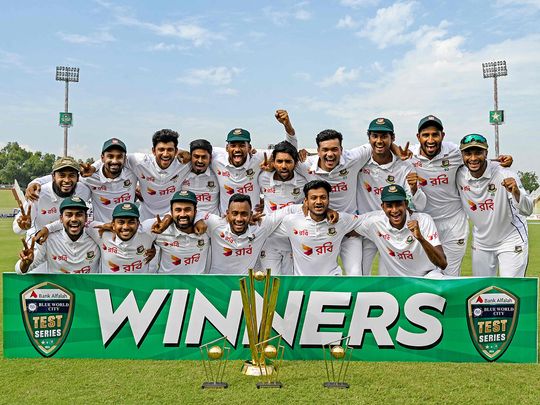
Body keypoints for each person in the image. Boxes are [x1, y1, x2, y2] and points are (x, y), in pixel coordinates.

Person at [409, 117, 513, 276]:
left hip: (453, 223)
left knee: (450, 274)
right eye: (426, 135)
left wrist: (501, 161)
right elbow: (389, 153)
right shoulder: (410, 156)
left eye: (435, 135)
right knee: (424, 274)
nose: (431, 140)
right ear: (418, 137)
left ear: (442, 136)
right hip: (425, 223)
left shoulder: (454, 152)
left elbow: (475, 157)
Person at [356, 117, 426, 275]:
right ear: (369, 138)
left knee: (389, 279)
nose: (379, 141)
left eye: (384, 136)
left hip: (392, 232)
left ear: (392, 138)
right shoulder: (360, 162)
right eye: (375, 136)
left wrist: (414, 189)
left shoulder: (404, 166)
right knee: (359, 276)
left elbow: (420, 206)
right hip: (366, 229)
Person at [456, 134, 532, 277]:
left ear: (486, 153)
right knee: (482, 291)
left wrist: (516, 192)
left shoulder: (505, 174)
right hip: (481, 242)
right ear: (462, 154)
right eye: (468, 153)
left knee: (511, 292)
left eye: (478, 152)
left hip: (510, 239)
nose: (473, 158)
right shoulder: (459, 174)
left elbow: (528, 210)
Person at [26, 138, 138, 222]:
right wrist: (36, 182)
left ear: (125, 158)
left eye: (119, 157)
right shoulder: (89, 176)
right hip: (101, 232)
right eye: (110, 156)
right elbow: (66, 177)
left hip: (129, 229)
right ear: (102, 158)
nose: (114, 161)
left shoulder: (133, 173)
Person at [210, 110, 297, 214]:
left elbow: (290, 149)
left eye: (242, 145)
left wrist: (287, 125)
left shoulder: (259, 158)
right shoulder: (216, 160)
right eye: (233, 145)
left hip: (254, 221)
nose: (237, 149)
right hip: (226, 221)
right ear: (227, 148)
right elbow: (197, 152)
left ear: (249, 147)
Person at [354, 185, 447, 277]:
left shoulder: (424, 220)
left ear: (406, 204)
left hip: (428, 277)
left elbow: (442, 264)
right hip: (398, 282)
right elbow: (348, 226)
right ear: (383, 207)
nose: (394, 210)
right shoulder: (375, 223)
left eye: (398, 204)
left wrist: (421, 238)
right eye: (389, 206)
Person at [274, 180, 363, 276]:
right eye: (313, 198)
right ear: (306, 202)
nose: (319, 202)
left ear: (329, 200)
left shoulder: (341, 220)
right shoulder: (292, 221)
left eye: (323, 197)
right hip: (302, 283)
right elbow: (266, 228)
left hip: (332, 281)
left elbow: (365, 222)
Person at [258, 140, 309, 274]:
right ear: (273, 162)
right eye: (279, 161)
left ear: (295, 163)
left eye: (288, 161)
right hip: (269, 242)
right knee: (270, 284)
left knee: (290, 287)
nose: (283, 166)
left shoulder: (303, 181)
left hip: (293, 243)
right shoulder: (262, 178)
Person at [15, 196, 100, 274]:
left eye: (79, 215)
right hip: (59, 290)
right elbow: (20, 270)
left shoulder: (97, 238)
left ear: (86, 218)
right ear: (61, 219)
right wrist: (25, 263)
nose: (74, 219)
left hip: (91, 290)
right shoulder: (48, 240)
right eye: (69, 215)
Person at [14, 157, 91, 241]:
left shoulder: (84, 191)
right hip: (40, 242)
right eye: (62, 175)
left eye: (71, 175)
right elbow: (17, 229)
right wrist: (22, 226)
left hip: (68, 246)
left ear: (78, 177)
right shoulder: (38, 194)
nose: (67, 180)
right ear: (53, 176)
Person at [145, 190, 210, 274]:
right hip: (166, 284)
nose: (182, 214)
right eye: (178, 210)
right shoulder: (158, 226)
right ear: (171, 212)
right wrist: (149, 246)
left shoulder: (208, 226)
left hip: (198, 285)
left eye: (187, 210)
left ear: (196, 212)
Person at [180, 139, 220, 215]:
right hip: (187, 221)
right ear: (190, 157)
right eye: (196, 156)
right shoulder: (181, 171)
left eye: (204, 157)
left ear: (210, 158)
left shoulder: (217, 172)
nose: (200, 161)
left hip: (212, 222)